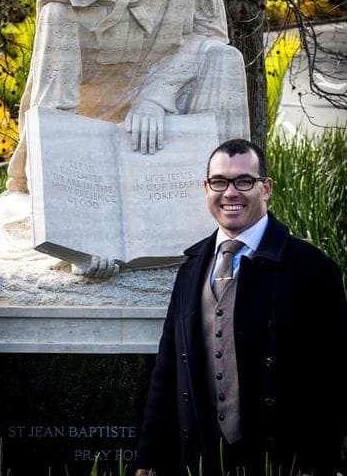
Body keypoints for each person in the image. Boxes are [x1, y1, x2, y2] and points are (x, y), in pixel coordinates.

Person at [0, 0, 250, 275]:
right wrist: (76, 235)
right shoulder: (62, 1)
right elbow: (53, 113)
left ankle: (228, 212)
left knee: (224, 60)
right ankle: (88, 242)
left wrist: (155, 96)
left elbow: (210, 35)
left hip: (162, 130)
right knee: (20, 217)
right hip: (90, 148)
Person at [135, 138, 347, 475]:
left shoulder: (312, 268)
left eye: (244, 181)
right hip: (200, 460)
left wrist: (318, 461)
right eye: (219, 182)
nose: (230, 193)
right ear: (206, 188)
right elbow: (168, 368)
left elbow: (333, 378)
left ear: (266, 188)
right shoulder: (191, 268)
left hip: (282, 461)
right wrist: (150, 457)